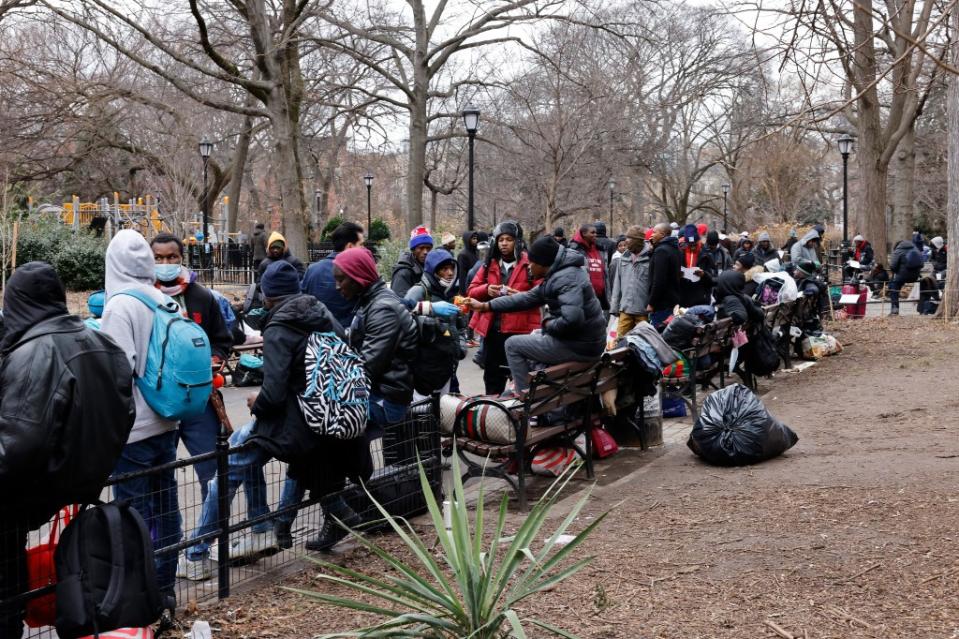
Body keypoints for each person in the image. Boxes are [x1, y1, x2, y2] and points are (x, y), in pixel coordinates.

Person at [0, 264, 135, 638]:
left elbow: (16, 446)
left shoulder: (33, 354)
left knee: (6, 591)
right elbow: (125, 412)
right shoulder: (100, 341)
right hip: (80, 481)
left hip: (29, 494)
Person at [101, 229, 181, 607]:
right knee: (166, 506)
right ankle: (164, 586)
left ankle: (138, 593)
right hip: (167, 419)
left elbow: (117, 372)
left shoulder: (120, 306)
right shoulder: (164, 299)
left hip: (133, 430)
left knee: (132, 516)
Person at [150, 233, 232, 504]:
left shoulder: (203, 297)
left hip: (200, 400)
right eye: (158, 258)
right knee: (159, 477)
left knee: (211, 470)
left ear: (181, 258)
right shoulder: (143, 299)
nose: (165, 263)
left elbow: (222, 340)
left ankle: (210, 537)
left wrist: (213, 361)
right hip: (158, 404)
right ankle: (166, 540)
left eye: (171, 257)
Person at [468, 237, 605, 392]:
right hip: (585, 342)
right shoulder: (560, 273)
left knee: (512, 345)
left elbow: (573, 319)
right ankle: (528, 390)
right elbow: (526, 298)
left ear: (542, 264)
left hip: (581, 347)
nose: (529, 267)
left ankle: (524, 398)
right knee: (532, 337)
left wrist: (548, 325)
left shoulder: (565, 279)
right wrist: (485, 306)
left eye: (531, 263)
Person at [333, 248, 418, 467]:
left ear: (358, 276)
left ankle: (354, 486)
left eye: (341, 279)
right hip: (376, 391)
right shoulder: (370, 301)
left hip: (387, 400)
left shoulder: (383, 309)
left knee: (323, 421)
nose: (337, 286)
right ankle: (353, 485)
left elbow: (366, 366)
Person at [467, 221, 541, 395]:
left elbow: (542, 292)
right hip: (493, 332)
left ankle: (518, 418)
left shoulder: (530, 264)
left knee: (521, 382)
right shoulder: (488, 265)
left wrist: (520, 295)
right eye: (501, 240)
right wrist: (487, 290)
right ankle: (493, 416)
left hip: (521, 332)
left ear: (517, 241)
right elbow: (471, 290)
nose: (504, 243)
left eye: (509, 239)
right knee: (492, 380)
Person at [405, 249, 467, 393]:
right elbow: (402, 316)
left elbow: (459, 324)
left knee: (447, 407)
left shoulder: (452, 293)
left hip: (448, 363)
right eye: (444, 269)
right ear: (433, 271)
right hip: (424, 367)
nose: (450, 273)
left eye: (452, 268)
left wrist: (460, 346)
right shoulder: (419, 291)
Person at [301, 222, 365, 328]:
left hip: (317, 337)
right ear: (350, 246)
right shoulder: (357, 272)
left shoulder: (312, 270)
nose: (363, 249)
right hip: (349, 337)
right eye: (361, 244)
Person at [609, 226, 651, 337]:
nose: (626, 242)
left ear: (638, 241)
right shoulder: (623, 258)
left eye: (630, 239)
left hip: (643, 312)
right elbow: (617, 284)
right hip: (625, 310)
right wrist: (615, 307)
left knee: (643, 342)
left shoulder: (651, 257)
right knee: (617, 344)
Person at [646, 223, 681, 327]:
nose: (651, 235)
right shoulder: (674, 249)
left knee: (658, 337)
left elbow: (659, 280)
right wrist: (652, 250)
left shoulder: (661, 251)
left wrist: (651, 303)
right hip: (672, 300)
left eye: (654, 232)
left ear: (662, 234)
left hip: (662, 304)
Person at [568, 223, 609, 310]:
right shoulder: (574, 250)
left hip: (600, 298)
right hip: (583, 298)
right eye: (592, 232)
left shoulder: (600, 249)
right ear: (584, 234)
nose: (595, 235)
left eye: (596, 232)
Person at [678, 224, 715, 308]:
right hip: (683, 300)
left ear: (698, 241)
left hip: (701, 300)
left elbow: (714, 280)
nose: (693, 248)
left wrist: (704, 275)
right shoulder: (679, 255)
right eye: (690, 245)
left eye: (695, 244)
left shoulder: (706, 255)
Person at [391, 227, 433, 297]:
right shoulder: (403, 272)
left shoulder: (431, 267)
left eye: (428, 248)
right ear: (413, 250)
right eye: (421, 248)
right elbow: (400, 301)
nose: (425, 252)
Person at [889, 239, 923, 315]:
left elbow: (893, 266)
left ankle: (895, 309)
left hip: (901, 277)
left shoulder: (898, 251)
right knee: (923, 289)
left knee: (893, 287)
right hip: (915, 276)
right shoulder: (915, 248)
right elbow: (922, 263)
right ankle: (923, 309)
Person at [456, 230, 488, 295]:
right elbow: (462, 276)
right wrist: (464, 293)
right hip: (468, 287)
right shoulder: (463, 255)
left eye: (476, 238)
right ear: (467, 240)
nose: (476, 240)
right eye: (473, 239)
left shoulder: (476, 252)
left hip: (476, 285)